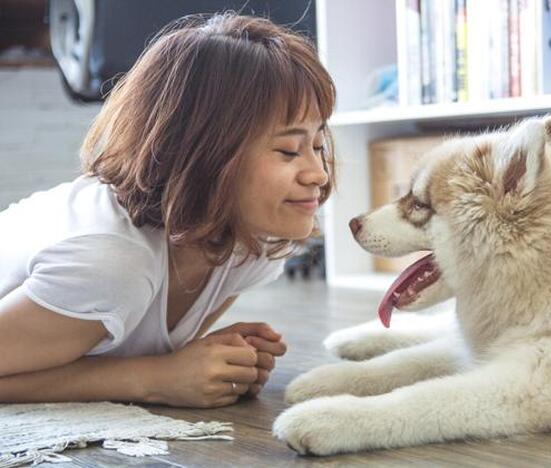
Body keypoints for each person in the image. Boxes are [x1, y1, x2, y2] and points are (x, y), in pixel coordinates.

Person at [0, 12, 335, 408]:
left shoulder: (249, 243)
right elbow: (147, 369)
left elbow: (128, 349)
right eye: (287, 150)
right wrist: (154, 379)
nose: (318, 173)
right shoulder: (110, 261)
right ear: (202, 154)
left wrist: (210, 361)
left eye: (317, 145)